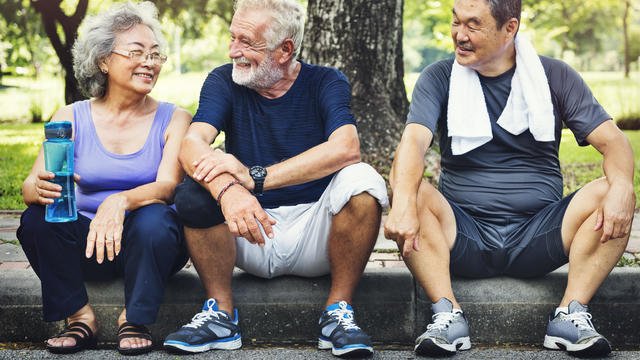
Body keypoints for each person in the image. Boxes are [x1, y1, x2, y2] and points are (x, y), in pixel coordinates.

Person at [384, 0, 635, 357]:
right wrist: (404, 202)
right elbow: (413, 141)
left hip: (539, 234)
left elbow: (615, 143)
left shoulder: (554, 76)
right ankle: (446, 314)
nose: (460, 35)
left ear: (510, 29)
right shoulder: (439, 77)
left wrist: (624, 187)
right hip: (464, 234)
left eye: (474, 25)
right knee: (410, 188)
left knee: (614, 188)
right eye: (456, 22)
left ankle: (571, 313)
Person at [162, 0, 388, 357]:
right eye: (232, 37)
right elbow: (192, 144)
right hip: (248, 230)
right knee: (193, 191)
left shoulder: (326, 81)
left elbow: (346, 148)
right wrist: (229, 192)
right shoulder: (224, 80)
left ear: (285, 50)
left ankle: (338, 313)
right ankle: (220, 315)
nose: (233, 50)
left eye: (247, 42)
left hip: (316, 231)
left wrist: (256, 178)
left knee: (364, 181)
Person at [17, 1, 191, 355]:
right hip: (84, 246)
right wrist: (39, 188)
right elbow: (27, 187)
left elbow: (169, 187)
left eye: (156, 55)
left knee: (157, 217)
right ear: (103, 60)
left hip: (149, 248)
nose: (150, 62)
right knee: (36, 219)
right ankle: (80, 317)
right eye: (137, 52)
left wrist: (120, 200)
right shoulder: (71, 116)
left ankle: (134, 318)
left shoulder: (175, 118)